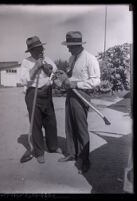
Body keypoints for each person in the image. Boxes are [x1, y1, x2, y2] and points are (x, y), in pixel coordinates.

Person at [58, 31, 101, 174]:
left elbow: (96, 81)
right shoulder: (71, 58)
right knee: (69, 125)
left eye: (70, 46)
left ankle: (85, 160)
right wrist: (64, 77)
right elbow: (71, 76)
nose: (68, 49)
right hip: (71, 94)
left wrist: (76, 84)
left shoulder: (90, 59)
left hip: (82, 95)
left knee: (81, 128)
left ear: (77, 45)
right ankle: (72, 153)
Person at [20, 36, 61, 164]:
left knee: (51, 121)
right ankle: (38, 152)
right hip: (33, 94)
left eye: (41, 48)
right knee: (36, 123)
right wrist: (35, 67)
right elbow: (23, 79)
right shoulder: (26, 62)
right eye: (37, 49)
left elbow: (54, 72)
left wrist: (50, 72)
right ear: (31, 51)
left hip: (47, 93)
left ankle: (53, 146)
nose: (41, 51)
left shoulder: (47, 59)